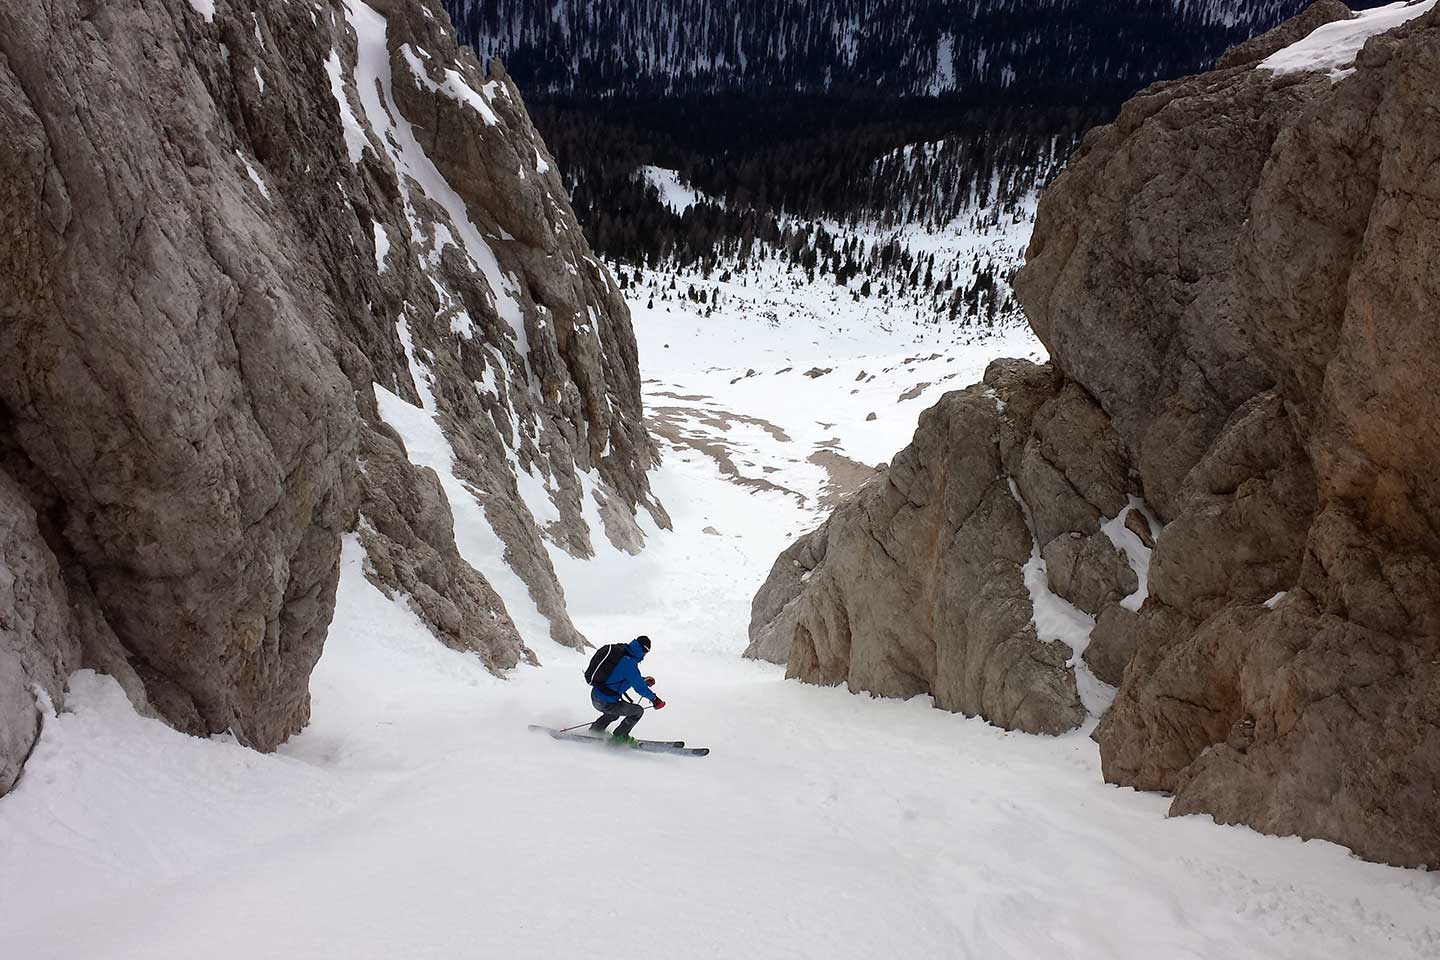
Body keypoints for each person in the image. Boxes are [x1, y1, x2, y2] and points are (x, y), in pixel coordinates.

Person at [589, 635, 665, 743]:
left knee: (614, 713)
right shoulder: (629, 663)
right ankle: (620, 737)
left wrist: (643, 681)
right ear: (645, 650)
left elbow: (622, 678)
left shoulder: (622, 654)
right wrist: (655, 699)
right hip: (605, 702)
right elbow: (639, 687)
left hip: (596, 695)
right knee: (637, 711)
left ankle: (596, 729)